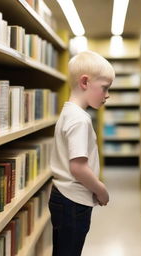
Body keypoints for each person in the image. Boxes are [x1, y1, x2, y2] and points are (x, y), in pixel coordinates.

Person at [48, 50, 115, 256]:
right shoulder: (80, 120)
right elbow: (78, 167)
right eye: (104, 88)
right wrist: (101, 189)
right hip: (74, 201)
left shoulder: (68, 112)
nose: (107, 95)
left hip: (61, 195)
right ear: (84, 82)